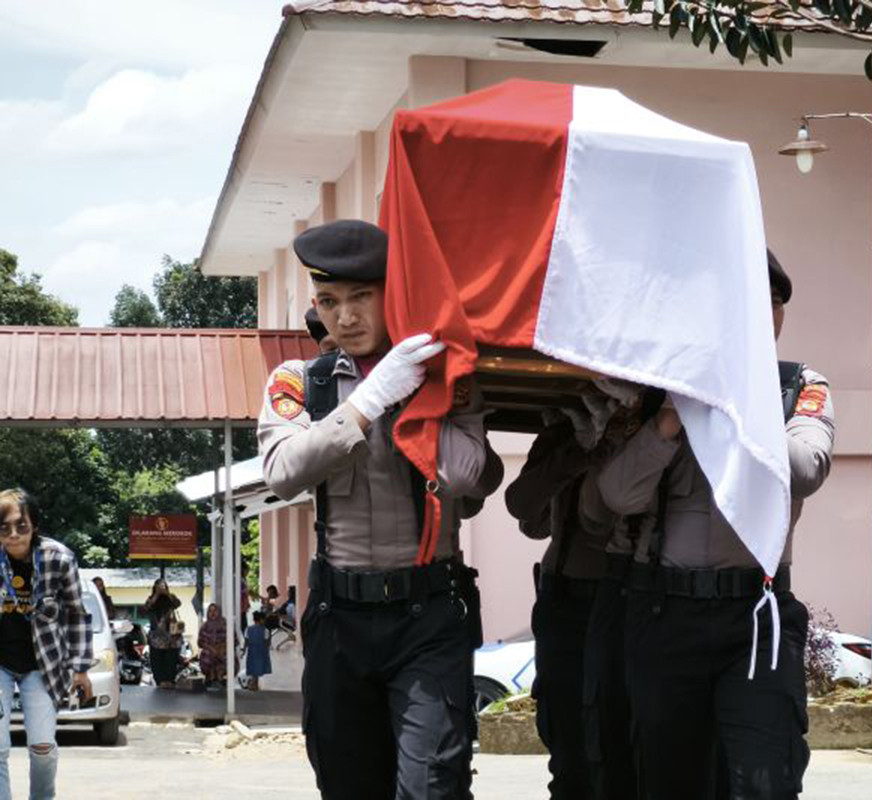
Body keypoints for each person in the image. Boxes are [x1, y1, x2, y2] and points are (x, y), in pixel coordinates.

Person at [258, 219, 502, 799]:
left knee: (431, 786)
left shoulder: (446, 375)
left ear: (395, 296)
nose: (346, 317)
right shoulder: (300, 382)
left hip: (428, 614)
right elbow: (283, 472)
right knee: (348, 784)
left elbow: (470, 475)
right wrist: (367, 402)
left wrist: (416, 395)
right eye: (330, 301)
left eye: (362, 298)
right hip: (339, 618)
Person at [584, 248, 835, 798]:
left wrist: (740, 403)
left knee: (767, 780)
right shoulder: (657, 392)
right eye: (747, 302)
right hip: (666, 613)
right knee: (670, 778)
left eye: (773, 304)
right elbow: (615, 496)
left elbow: (806, 469)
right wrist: (671, 421)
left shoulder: (796, 386)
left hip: (757, 617)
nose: (763, 316)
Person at [505, 394, 646, 800]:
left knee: (619, 740)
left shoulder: (651, 427)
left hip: (622, 598)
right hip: (562, 600)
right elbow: (523, 507)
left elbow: (596, 516)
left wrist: (609, 446)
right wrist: (577, 448)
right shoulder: (565, 430)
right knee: (566, 742)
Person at [0, 489, 93, 800]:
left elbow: (77, 616)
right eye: (4, 527)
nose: (13, 535)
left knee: (42, 747)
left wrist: (80, 670)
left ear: (34, 527)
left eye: (21, 526)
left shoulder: (59, 558)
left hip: (43, 664)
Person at [141, 578, 183, 688]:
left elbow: (178, 603)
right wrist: (156, 595)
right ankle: (160, 681)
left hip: (171, 635)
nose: (162, 588)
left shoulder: (171, 598)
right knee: (156, 659)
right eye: (159, 586)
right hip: (157, 636)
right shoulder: (151, 599)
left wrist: (167, 594)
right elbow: (145, 609)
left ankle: (170, 680)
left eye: (163, 586)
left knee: (171, 659)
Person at [198, 603, 228, 687]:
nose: (213, 613)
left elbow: (233, 640)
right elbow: (200, 642)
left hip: (223, 649)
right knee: (207, 654)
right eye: (210, 611)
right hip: (209, 650)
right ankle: (210, 676)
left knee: (225, 655)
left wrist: (222, 647)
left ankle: (220, 676)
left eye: (215, 611)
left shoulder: (226, 625)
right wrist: (210, 648)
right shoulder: (204, 626)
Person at [244, 611, 271, 691]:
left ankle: (254, 684)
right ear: (261, 620)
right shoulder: (265, 630)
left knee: (253, 668)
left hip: (251, 652)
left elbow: (246, 641)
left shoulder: (248, 629)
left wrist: (243, 650)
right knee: (258, 668)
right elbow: (267, 643)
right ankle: (254, 684)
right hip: (261, 652)